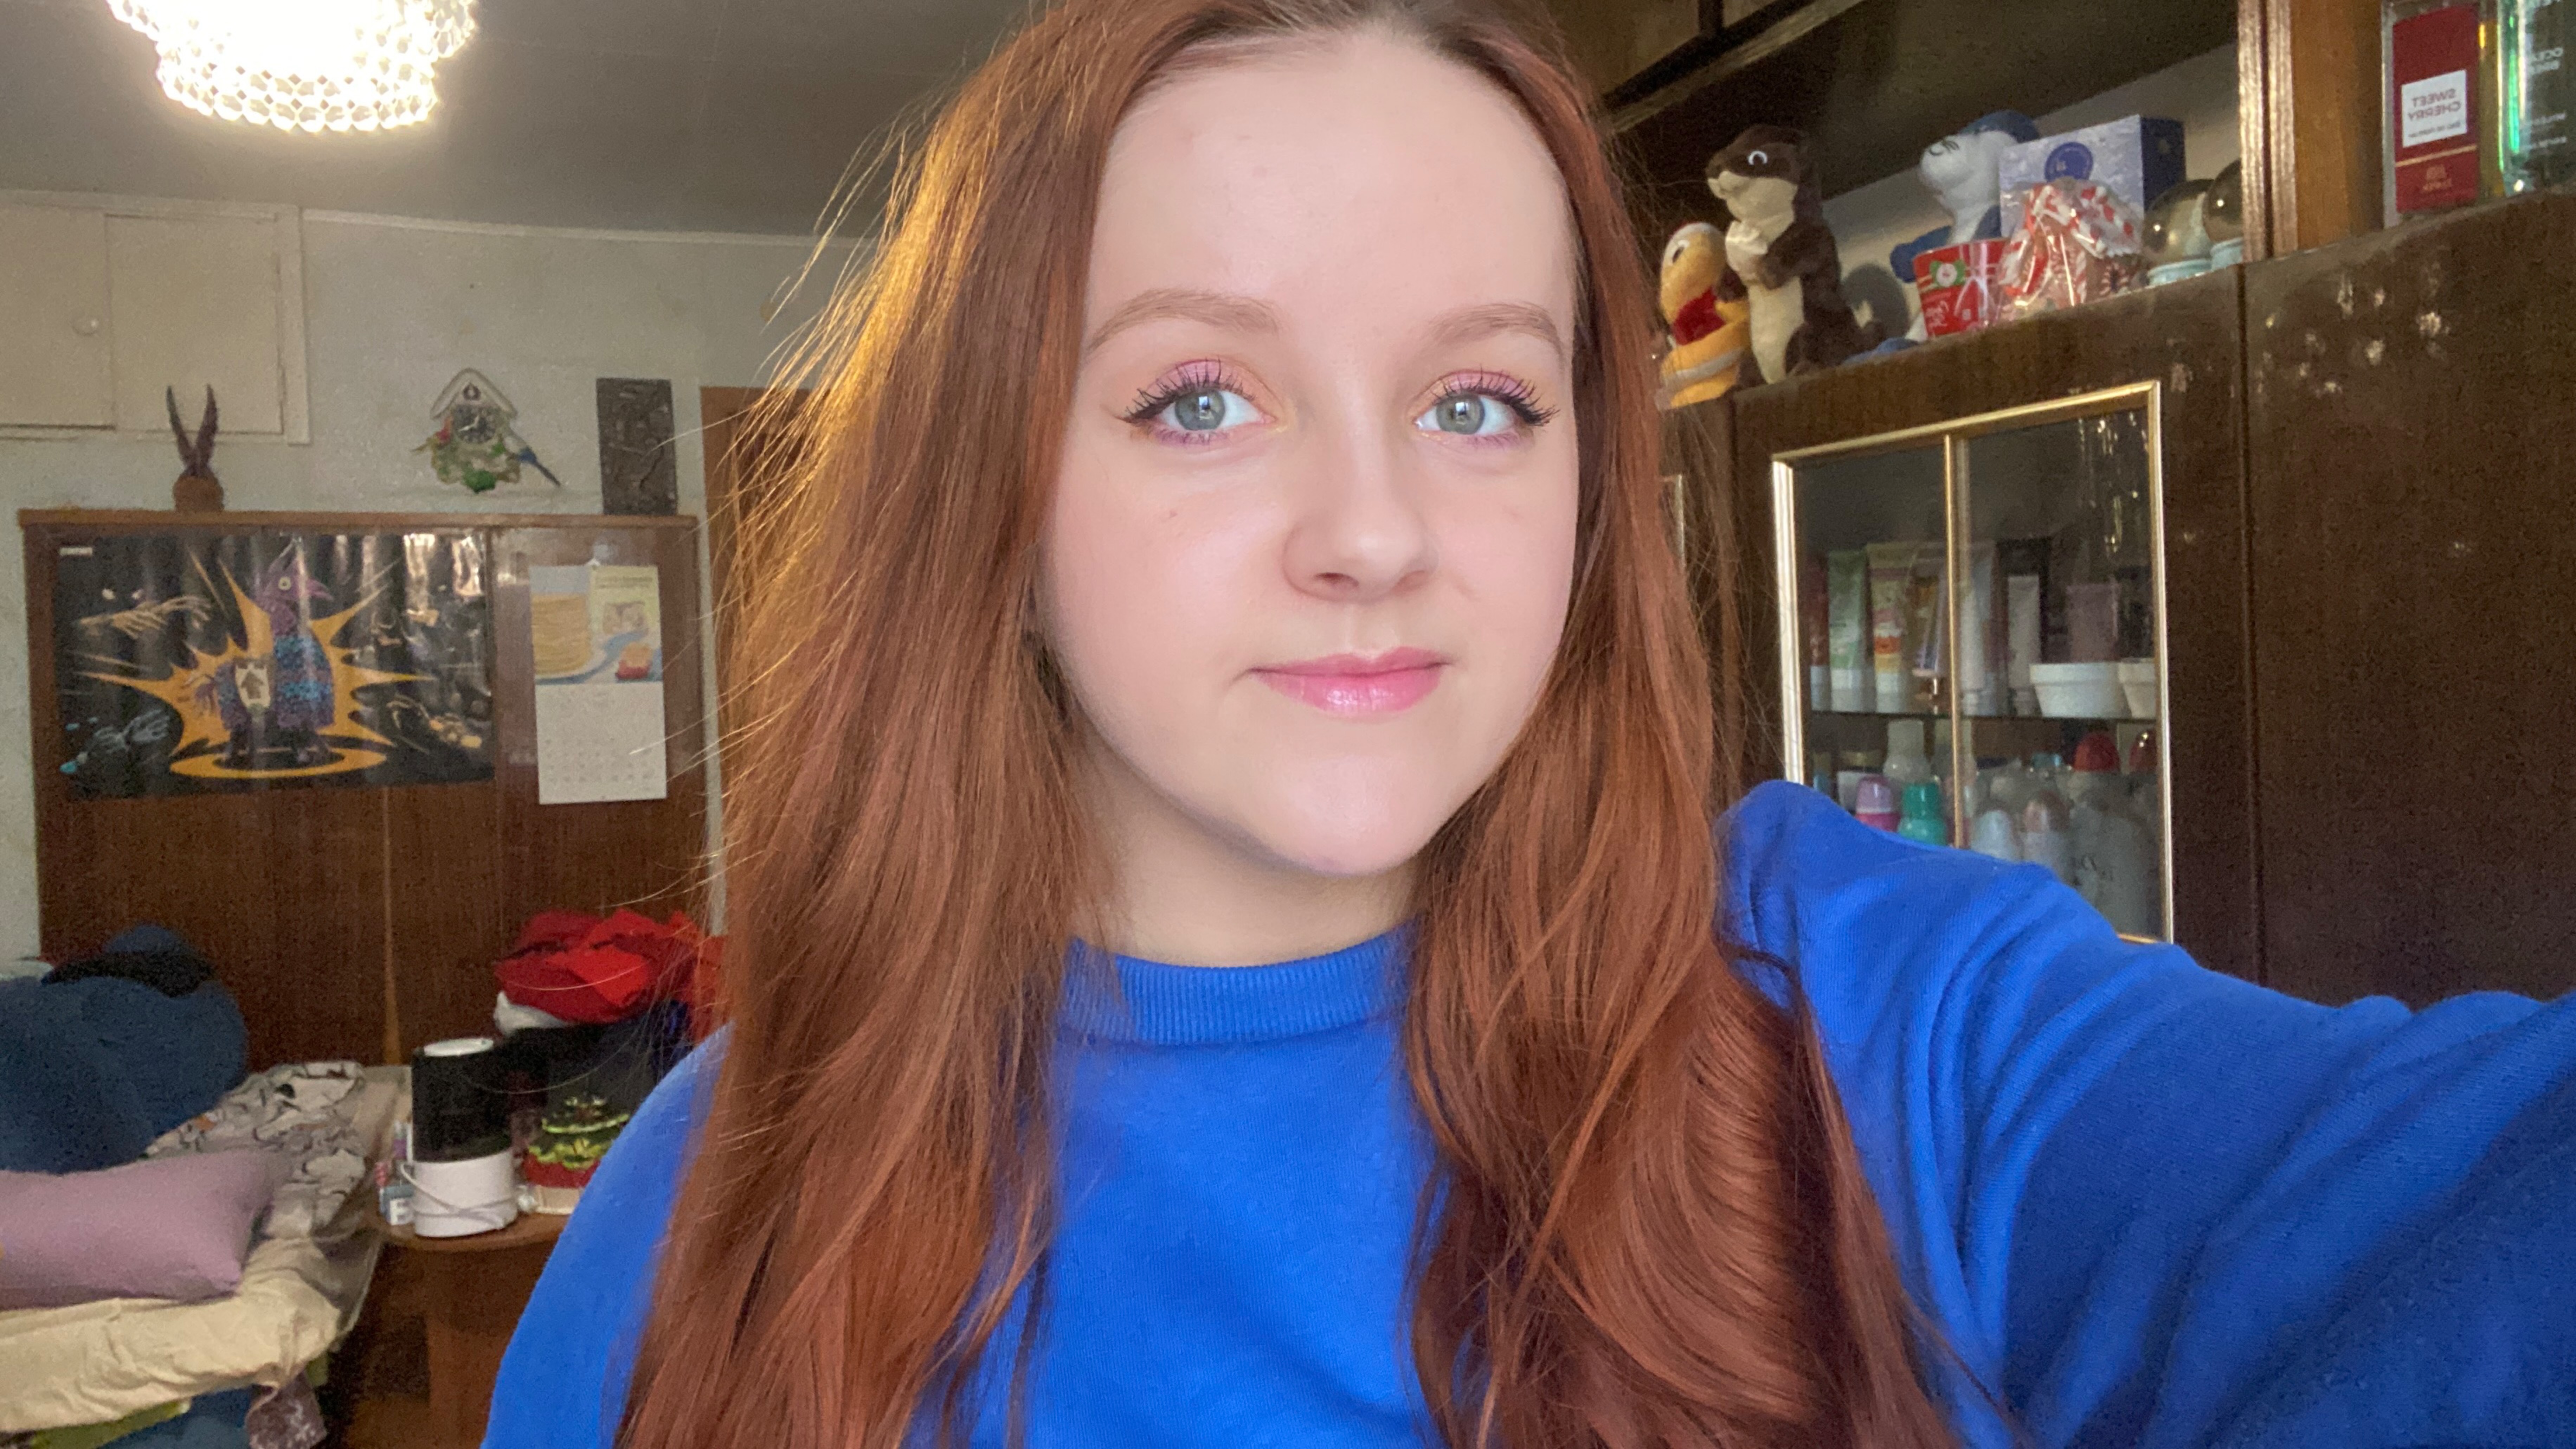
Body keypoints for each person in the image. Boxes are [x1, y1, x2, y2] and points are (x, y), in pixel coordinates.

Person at [485, 1, 2576, 1445]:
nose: (1376, 533)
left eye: (1480, 400)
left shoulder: (1862, 1003)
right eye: (1199, 398)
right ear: (992, 497)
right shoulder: (722, 1202)